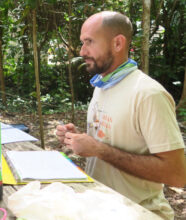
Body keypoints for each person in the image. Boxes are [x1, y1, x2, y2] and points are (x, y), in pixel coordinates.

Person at [55, 11, 186, 219]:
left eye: (89, 42)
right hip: (100, 206)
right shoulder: (102, 85)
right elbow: (111, 141)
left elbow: (178, 174)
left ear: (117, 43)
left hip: (138, 212)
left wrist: (99, 149)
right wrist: (78, 139)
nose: (82, 51)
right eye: (82, 42)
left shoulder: (148, 94)